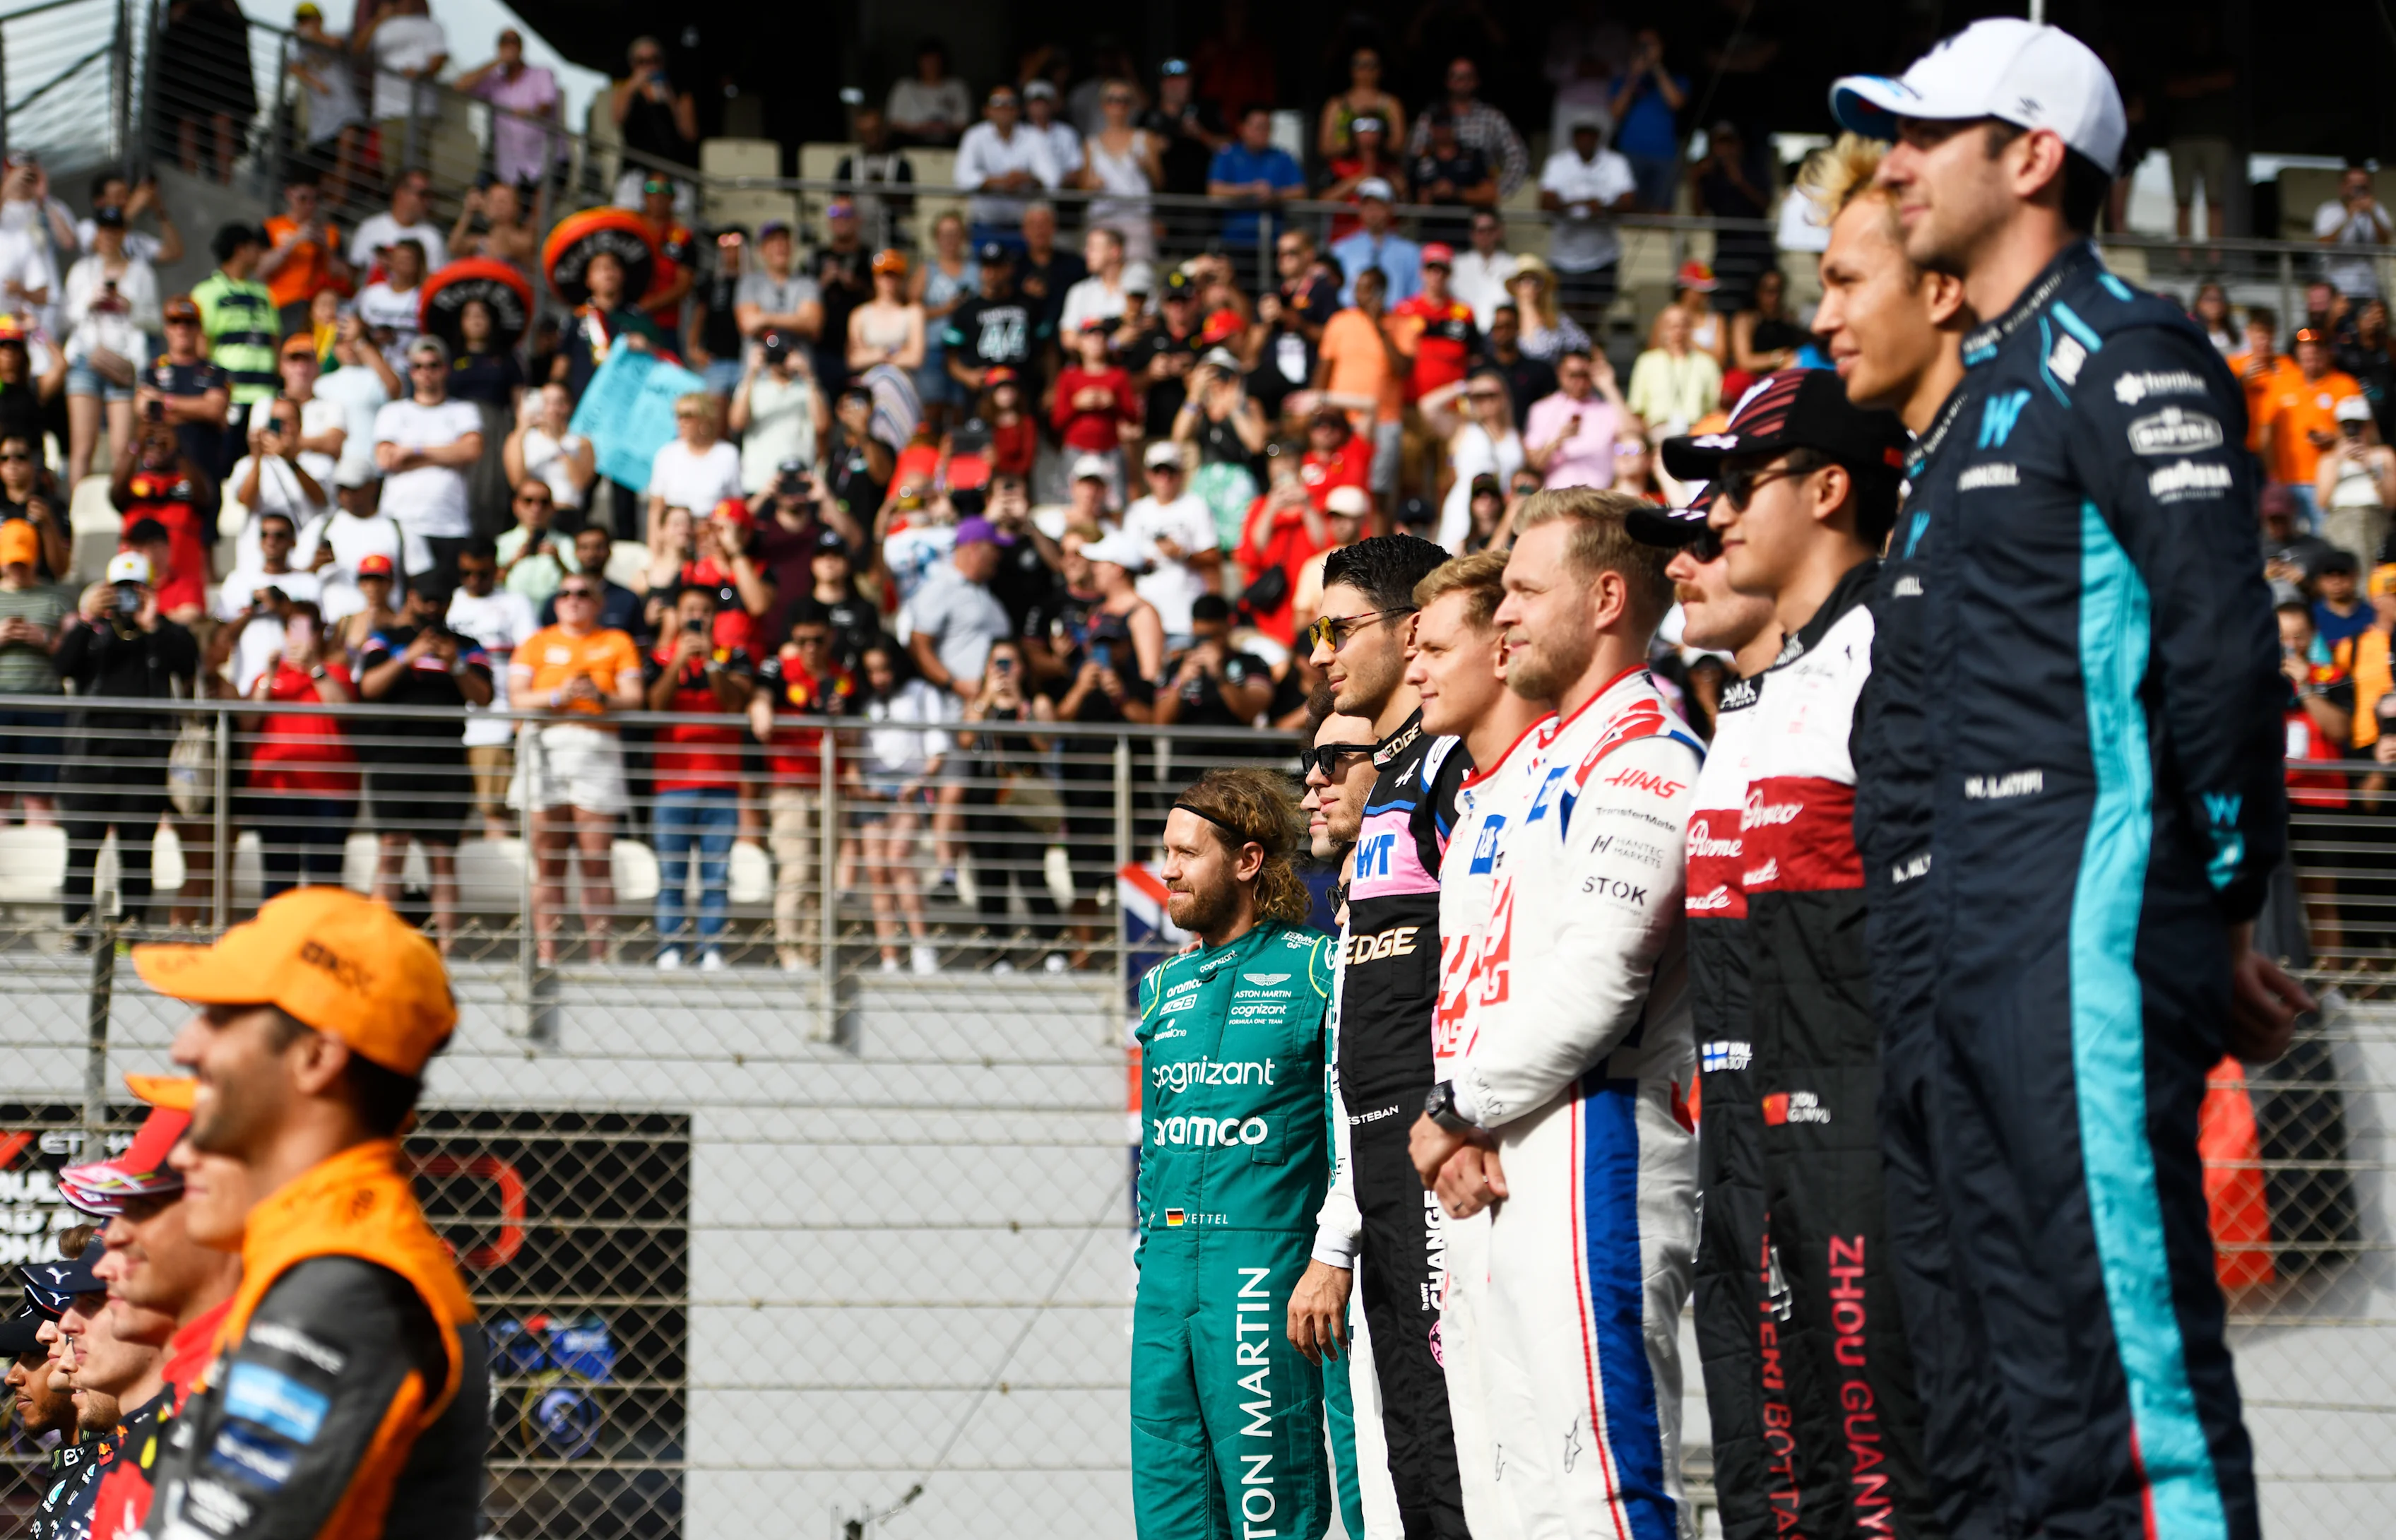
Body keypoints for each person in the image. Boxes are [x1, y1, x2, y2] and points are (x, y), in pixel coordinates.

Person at [1833, 22, 2308, 1535]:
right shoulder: (1984, 393)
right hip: (1973, 952)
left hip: (2083, 939)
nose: (1895, 162)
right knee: (2008, 1417)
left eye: (1930, 132)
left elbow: (2226, 657)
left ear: (2031, 156)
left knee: (2126, 1411)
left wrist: (2217, 908)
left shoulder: (2128, 348)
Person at [1649, 369, 1949, 1539]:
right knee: (1778, 1487)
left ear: (1828, 490)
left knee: (1882, 1482)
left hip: (1865, 1135)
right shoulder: (1765, 691)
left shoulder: (1895, 649)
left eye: (1738, 481)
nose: (1713, 516)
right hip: (1751, 1134)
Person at [1404, 488, 1699, 1540]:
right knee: (1508, 1501)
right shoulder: (1525, 775)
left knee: (1598, 1496)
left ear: (1608, 596)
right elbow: (1478, 985)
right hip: (1499, 1152)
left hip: (1595, 1140)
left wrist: (1456, 1107)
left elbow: (1599, 979)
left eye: (1526, 589)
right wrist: (1465, 1123)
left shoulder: (1647, 755)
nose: (1507, 613)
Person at [127, 887, 485, 1538]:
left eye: (223, 1015)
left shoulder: (344, 1284)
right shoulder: (315, 1258)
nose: (187, 1045)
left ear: (318, 1058)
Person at [1298, 533, 1474, 1538]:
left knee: (1457, 1444)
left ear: (1411, 629)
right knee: (1411, 1448)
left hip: (1442, 1155)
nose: (1319, 652)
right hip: (1381, 1167)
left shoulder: (1454, 766)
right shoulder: (1392, 789)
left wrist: (1459, 1112)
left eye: (1337, 628)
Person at [1130, 766, 1335, 1540]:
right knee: (1169, 1507)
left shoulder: (1315, 969)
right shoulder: (1162, 988)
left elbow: (1345, 1131)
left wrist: (1329, 1257)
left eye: (1186, 854)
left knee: (1267, 1508)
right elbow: (1155, 1145)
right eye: (1164, 851)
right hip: (1163, 1278)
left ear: (1247, 861)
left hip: (1259, 1275)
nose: (1168, 869)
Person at [57, 551, 197, 937]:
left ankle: (130, 932)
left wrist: (155, 625)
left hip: (143, 760)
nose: (127, 598)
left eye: (136, 590)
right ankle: (78, 930)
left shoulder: (163, 633)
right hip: (92, 759)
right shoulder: (92, 632)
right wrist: (88, 619)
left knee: (137, 851)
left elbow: (188, 663)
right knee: (82, 848)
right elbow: (62, 667)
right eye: (120, 590)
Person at [513, 574, 643, 964]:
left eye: (583, 594)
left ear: (598, 604)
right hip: (546, 743)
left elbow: (635, 698)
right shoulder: (536, 642)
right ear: (555, 602)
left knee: (595, 860)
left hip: (595, 745)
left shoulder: (616, 642)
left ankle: (599, 956)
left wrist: (600, 696)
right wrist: (559, 696)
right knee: (547, 860)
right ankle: (546, 954)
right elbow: (517, 698)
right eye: (565, 593)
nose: (573, 600)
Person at [357, 584, 493, 948]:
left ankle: (446, 952)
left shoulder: (467, 645)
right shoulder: (385, 639)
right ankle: (376, 949)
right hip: (394, 761)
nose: (433, 605)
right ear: (412, 597)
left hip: (446, 764)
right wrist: (409, 655)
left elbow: (484, 698)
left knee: (443, 859)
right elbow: (368, 687)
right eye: (426, 596)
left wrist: (456, 664)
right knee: (391, 852)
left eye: (440, 598)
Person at [643, 583, 754, 971]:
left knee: (717, 875)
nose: (698, 617)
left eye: (706, 611)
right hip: (671, 786)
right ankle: (670, 947)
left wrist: (710, 664)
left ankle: (712, 950)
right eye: (691, 609)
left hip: (721, 785)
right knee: (671, 874)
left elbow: (734, 704)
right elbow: (655, 706)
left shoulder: (733, 657)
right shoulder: (658, 657)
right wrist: (678, 662)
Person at [752, 603, 858, 971]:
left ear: (828, 637)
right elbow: (761, 704)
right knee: (796, 871)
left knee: (824, 877)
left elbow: (854, 736)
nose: (810, 647)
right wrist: (761, 707)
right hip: (789, 786)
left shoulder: (843, 678)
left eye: (817, 639)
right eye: (802, 641)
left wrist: (841, 716)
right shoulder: (779, 671)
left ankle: (817, 955)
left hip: (831, 786)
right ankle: (791, 955)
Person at [854, 639, 947, 973]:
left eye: (885, 668)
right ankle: (889, 956)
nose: (879, 677)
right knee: (878, 870)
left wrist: (919, 782)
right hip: (872, 787)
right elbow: (854, 747)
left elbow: (938, 747)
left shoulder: (922, 692)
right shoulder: (864, 699)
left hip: (910, 786)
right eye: (872, 671)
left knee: (898, 858)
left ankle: (922, 945)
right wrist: (859, 784)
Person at [374, 336, 483, 590]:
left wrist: (413, 451)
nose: (426, 373)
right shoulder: (393, 412)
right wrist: (446, 454)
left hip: (449, 523)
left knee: (442, 598)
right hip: (401, 522)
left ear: (444, 369)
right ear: (411, 372)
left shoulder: (463, 410)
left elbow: (471, 450)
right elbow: (386, 459)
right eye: (418, 366)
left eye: (433, 365)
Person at [62, 205, 160, 487]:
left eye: (114, 230)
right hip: (86, 358)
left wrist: (130, 307)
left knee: (123, 448)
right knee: (82, 446)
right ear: (97, 233)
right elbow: (65, 319)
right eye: (104, 230)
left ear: (123, 233)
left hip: (125, 361)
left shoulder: (141, 273)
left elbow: (155, 321)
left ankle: (122, 515)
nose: (108, 236)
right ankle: (76, 518)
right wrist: (89, 302)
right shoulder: (82, 270)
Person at [112, 424, 218, 627]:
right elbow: (115, 494)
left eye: (163, 444)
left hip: (180, 589)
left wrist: (179, 450)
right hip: (133, 585)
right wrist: (137, 444)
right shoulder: (134, 484)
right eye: (152, 444)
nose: (157, 447)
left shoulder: (188, 483)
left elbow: (206, 497)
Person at [211, 509, 323, 693]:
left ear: (292, 541)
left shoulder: (308, 583)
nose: (271, 541)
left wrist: (282, 607)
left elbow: (309, 636)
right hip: (247, 683)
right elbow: (222, 640)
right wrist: (251, 610)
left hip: (293, 685)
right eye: (265, 535)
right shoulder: (238, 580)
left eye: (279, 535)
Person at [191, 223, 279, 454]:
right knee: (225, 463)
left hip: (264, 398)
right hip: (229, 398)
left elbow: (275, 342)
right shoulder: (206, 292)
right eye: (255, 248)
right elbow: (200, 346)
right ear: (240, 250)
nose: (260, 254)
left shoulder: (264, 294)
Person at [1122, 442, 1220, 648]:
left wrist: (1183, 554)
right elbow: (1124, 566)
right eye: (1158, 471)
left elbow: (1213, 559)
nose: (1164, 477)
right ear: (1148, 475)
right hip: (1145, 618)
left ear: (1182, 474)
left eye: (1171, 471)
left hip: (1184, 618)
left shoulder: (1195, 506)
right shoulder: (1136, 511)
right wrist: (1145, 561)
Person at [0, 518, 66, 824]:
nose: (17, 568)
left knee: (39, 796)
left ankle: (40, 868)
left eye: (23, 561)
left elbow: (74, 654)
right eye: (12, 561)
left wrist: (46, 640)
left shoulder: (56, 598)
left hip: (44, 705)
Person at [1538, 120, 1637, 318]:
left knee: (1597, 313)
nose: (1586, 140)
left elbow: (1629, 201)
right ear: (1573, 138)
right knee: (1568, 312)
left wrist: (1602, 208)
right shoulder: (1558, 163)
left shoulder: (1615, 162)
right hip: (1565, 256)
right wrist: (1576, 205)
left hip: (1603, 255)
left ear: (1598, 138)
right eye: (1581, 135)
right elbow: (1545, 201)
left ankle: (1591, 348)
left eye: (1590, 135)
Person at [1421, 370, 1520, 550]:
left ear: (1504, 397)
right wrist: (1465, 386)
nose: (1486, 400)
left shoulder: (1515, 433)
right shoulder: (1463, 427)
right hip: (1465, 503)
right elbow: (1427, 407)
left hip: (1500, 506)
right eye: (1479, 396)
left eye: (1492, 395)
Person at [140, 295, 231, 483]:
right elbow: (144, 409)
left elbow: (214, 410)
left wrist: (165, 402)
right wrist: (198, 409)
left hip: (205, 469)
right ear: (166, 329)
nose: (182, 328)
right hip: (164, 473)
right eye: (175, 322)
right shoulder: (153, 370)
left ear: (198, 329)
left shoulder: (214, 371)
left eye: (189, 323)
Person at [955, 86, 1060, 251]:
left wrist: (1026, 179)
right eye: (997, 103)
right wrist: (1001, 181)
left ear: (1018, 110)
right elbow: (962, 179)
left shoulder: (1034, 136)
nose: (1004, 108)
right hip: (984, 225)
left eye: (1010, 103)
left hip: (1023, 227)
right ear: (987, 110)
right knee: (986, 275)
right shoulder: (974, 136)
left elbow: (1052, 179)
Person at [456, 28, 562, 189]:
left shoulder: (541, 74)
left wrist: (530, 114)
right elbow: (460, 86)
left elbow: (546, 105)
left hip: (544, 162)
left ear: (521, 48)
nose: (510, 47)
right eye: (505, 42)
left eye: (514, 42)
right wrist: (497, 61)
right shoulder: (494, 80)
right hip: (508, 167)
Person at [733, 330, 827, 494]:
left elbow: (822, 426)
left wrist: (807, 374)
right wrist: (751, 373)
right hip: (759, 483)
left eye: (782, 352)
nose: (777, 359)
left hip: (799, 481)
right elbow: (737, 423)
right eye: (772, 352)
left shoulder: (808, 387)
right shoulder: (752, 387)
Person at [1078, 85, 1163, 264]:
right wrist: (1092, 185)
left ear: (1131, 106)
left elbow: (1160, 183)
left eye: (1124, 101)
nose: (1118, 106)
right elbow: (1083, 189)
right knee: (1103, 272)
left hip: (1137, 219)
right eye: (1112, 100)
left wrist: (1148, 168)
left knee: (1138, 274)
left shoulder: (1146, 138)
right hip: (1102, 219)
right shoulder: (1091, 144)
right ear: (1103, 105)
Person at [1608, 28, 1690, 211]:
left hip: (1664, 154)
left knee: (1662, 210)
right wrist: (1634, 76)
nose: (1645, 49)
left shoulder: (1677, 78)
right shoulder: (1622, 79)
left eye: (1650, 45)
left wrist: (1657, 67)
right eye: (1641, 45)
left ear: (1661, 48)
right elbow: (1616, 112)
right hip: (1630, 152)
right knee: (1629, 209)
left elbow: (1676, 102)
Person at [1522, 348, 1627, 488]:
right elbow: (1534, 465)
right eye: (1573, 375)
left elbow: (1636, 435)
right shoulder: (1542, 409)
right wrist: (1558, 441)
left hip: (1599, 497)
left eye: (1585, 375)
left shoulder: (1607, 409)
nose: (1579, 382)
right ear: (1560, 373)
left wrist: (1609, 386)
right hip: (1558, 498)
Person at [609, 35, 697, 203]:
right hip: (635, 172)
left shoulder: (679, 93)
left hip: (673, 172)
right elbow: (617, 119)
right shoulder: (625, 90)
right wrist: (632, 87)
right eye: (642, 61)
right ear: (633, 64)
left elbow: (690, 134)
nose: (649, 66)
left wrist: (671, 102)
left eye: (654, 60)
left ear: (663, 62)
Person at [645, 391, 741, 540]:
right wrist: (655, 551)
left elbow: (736, 505)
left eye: (688, 417)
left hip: (712, 538)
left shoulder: (728, 454)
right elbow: (656, 509)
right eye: (678, 416)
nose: (680, 422)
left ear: (705, 419)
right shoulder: (667, 454)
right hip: (675, 539)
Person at [1206, 105, 1305, 250]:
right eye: (1258, 127)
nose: (1264, 132)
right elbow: (1214, 191)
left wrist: (1275, 195)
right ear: (1242, 128)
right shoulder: (1227, 155)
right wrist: (1251, 190)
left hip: (1274, 241)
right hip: (1235, 241)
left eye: (1267, 127)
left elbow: (1301, 192)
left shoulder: (1283, 157)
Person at [2315, 394, 2395, 567]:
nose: (2353, 432)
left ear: (2369, 426)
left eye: (2359, 426)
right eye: (2347, 426)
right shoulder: (2329, 459)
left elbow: (2391, 501)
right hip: (2341, 522)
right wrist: (2339, 461)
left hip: (2375, 520)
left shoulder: (2384, 455)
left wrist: (2370, 466)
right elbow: (2322, 501)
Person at [504, 380, 595, 525]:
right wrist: (522, 428)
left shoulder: (582, 442)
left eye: (560, 402)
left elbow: (580, 482)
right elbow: (517, 482)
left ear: (569, 406)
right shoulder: (522, 439)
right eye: (547, 402)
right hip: (535, 516)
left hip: (568, 513)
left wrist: (558, 441)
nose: (553, 409)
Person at [1625, 304, 1722, 437]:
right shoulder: (1647, 362)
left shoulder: (1707, 363)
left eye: (1683, 325)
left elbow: (1714, 409)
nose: (1678, 331)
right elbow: (1636, 409)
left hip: (1696, 432)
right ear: (1661, 329)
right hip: (1658, 432)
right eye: (1671, 326)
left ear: (1691, 329)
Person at [1329, 182, 1422, 309]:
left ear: (1390, 208)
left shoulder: (1410, 252)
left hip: (1395, 319)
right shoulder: (1341, 249)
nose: (1373, 212)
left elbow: (1417, 292)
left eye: (1378, 206)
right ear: (1360, 209)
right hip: (1353, 317)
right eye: (1367, 206)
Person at [348, 167, 448, 275]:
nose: (428, 201)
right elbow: (353, 273)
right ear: (400, 193)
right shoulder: (369, 228)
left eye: (430, 195)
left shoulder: (432, 236)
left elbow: (436, 280)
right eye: (423, 194)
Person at [2315, 165, 2391, 304]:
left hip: (2369, 288)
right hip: (2338, 287)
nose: (2358, 190)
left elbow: (2386, 241)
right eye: (2353, 185)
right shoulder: (2329, 210)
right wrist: (2348, 217)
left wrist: (2372, 214)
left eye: (2363, 186)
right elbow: (2324, 244)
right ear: (2343, 187)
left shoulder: (2376, 209)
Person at [1318, 45, 1407, 160]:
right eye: (1360, 64)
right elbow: (1325, 147)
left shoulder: (1391, 104)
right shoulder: (1336, 104)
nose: (1366, 70)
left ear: (1380, 70)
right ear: (1351, 69)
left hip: (1381, 169)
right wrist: (1356, 143)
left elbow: (1399, 145)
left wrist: (1374, 143)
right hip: (1344, 170)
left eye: (1372, 65)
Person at [885, 36, 971, 147]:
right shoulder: (904, 87)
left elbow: (964, 124)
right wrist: (921, 128)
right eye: (927, 61)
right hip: (912, 142)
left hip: (947, 143)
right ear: (918, 62)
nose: (931, 66)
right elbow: (894, 123)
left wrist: (943, 128)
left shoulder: (957, 87)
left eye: (935, 61)